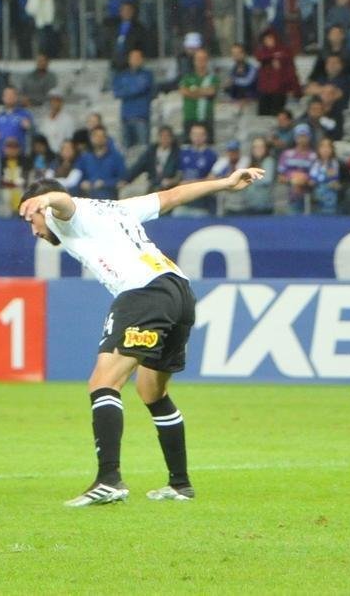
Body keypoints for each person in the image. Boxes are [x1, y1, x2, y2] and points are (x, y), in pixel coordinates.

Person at [17, 164, 264, 506]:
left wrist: (46, 199)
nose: (33, 230)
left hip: (143, 294)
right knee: (151, 390)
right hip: (179, 291)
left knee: (103, 382)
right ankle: (180, 483)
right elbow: (173, 195)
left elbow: (63, 203)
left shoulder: (65, 215)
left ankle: (109, 479)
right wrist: (224, 182)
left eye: (31, 219)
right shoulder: (117, 208)